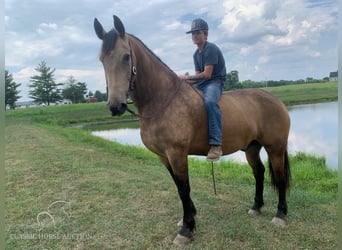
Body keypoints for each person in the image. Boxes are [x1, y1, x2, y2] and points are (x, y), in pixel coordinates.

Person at [179, 18, 226, 161]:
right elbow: (198, 77)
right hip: (203, 82)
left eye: (198, 33)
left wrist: (186, 78)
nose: (195, 36)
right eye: (193, 34)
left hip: (214, 82)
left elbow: (207, 74)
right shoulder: (196, 54)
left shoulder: (210, 49)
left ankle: (216, 144)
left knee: (211, 102)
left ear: (205, 34)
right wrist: (183, 83)